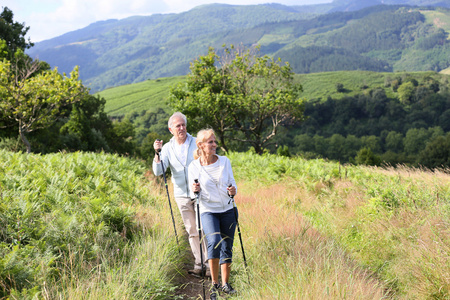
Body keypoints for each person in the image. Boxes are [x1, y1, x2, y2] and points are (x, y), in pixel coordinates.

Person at [153, 112, 209, 277]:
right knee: (192, 230)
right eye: (178, 126)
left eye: (183, 124)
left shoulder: (196, 143)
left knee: (203, 228)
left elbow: (206, 161)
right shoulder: (167, 148)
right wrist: (157, 153)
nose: (182, 128)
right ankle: (198, 264)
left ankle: (209, 264)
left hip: (200, 192)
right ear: (171, 129)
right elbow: (158, 171)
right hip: (181, 194)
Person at [188, 128, 238, 299]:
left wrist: (233, 190)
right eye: (210, 142)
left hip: (228, 209)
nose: (215, 145)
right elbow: (192, 194)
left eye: (214, 141)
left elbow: (233, 184)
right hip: (208, 210)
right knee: (214, 242)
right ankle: (214, 285)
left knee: (227, 246)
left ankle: (226, 284)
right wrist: (195, 190)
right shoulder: (194, 167)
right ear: (201, 145)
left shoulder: (224, 161)